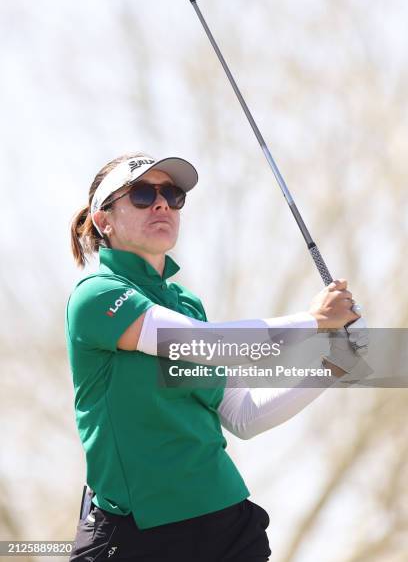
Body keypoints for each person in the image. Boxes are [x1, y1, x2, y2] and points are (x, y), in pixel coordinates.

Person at [66, 152, 367, 561]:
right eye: (141, 194)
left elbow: (244, 415)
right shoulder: (96, 295)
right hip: (137, 533)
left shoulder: (186, 304)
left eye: (172, 195)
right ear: (104, 221)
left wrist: (332, 367)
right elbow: (211, 345)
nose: (161, 204)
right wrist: (314, 320)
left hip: (225, 522)